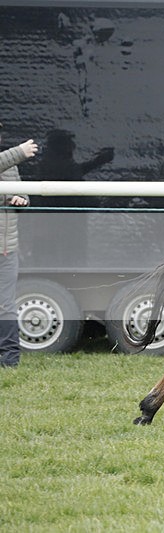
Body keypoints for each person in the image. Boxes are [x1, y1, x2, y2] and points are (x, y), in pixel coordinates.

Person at [0, 123, 37, 368]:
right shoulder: (11, 157)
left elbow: (24, 195)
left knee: (5, 305)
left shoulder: (9, 164)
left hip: (7, 250)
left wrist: (20, 200)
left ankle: (9, 359)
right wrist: (19, 152)